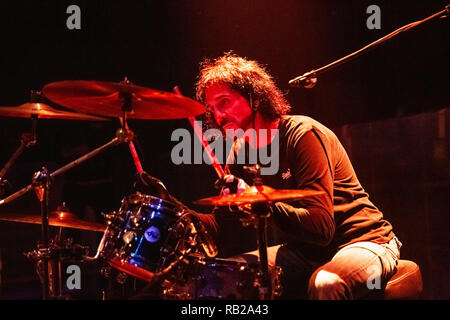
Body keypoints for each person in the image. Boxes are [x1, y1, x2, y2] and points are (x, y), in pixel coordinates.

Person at [186, 52, 402, 300]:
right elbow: (221, 226)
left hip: (363, 241)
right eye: (212, 109)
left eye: (224, 102)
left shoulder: (303, 135)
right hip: (303, 252)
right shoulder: (239, 152)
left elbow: (321, 229)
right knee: (222, 279)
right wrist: (178, 216)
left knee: (327, 284)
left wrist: (259, 201)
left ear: (255, 98)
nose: (218, 115)